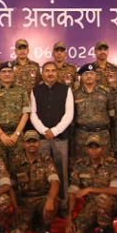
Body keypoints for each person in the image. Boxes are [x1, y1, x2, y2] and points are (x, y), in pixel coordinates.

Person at [29, 61, 75, 203]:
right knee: (42, 172)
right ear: (42, 74)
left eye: (53, 70)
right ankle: (43, 203)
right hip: (42, 139)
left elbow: (69, 114)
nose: (50, 73)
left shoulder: (66, 90)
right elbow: (33, 114)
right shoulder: (35, 90)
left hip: (60, 138)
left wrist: (54, 131)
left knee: (61, 171)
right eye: (47, 71)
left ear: (57, 73)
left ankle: (62, 204)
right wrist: (44, 130)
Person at [65, 135, 117, 233]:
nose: (94, 150)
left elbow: (115, 190)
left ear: (102, 149)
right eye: (91, 147)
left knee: (102, 198)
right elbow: (72, 192)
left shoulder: (111, 163)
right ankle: (94, 224)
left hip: (110, 204)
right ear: (86, 149)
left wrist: (90, 189)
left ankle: (104, 231)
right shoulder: (80, 165)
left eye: (97, 147)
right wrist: (69, 220)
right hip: (91, 206)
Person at [9, 130, 60, 233]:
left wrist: (50, 200)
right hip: (25, 201)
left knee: (54, 201)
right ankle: (34, 221)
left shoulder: (46, 160)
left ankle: (46, 228)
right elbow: (11, 186)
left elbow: (55, 182)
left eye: (35, 141)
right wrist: (15, 207)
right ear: (23, 144)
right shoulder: (17, 161)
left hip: (42, 198)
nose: (32, 144)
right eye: (28, 142)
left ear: (39, 143)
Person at [0, 61, 29, 168]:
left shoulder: (22, 90)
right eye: (4, 71)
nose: (7, 74)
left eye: (10, 71)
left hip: (17, 135)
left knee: (19, 169)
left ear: (14, 74)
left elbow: (25, 114)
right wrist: (1, 135)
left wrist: (16, 134)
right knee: (1, 169)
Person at [73, 63, 115, 160]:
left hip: (102, 135)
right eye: (86, 74)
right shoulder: (75, 94)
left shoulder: (106, 93)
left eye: (91, 73)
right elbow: (72, 119)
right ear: (81, 77)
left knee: (103, 166)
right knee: (82, 165)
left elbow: (112, 117)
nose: (89, 76)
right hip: (82, 136)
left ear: (96, 75)